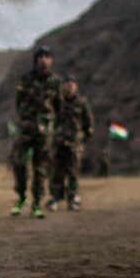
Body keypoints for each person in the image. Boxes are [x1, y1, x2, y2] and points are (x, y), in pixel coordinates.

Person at [9, 45, 61, 218]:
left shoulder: (55, 82)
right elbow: (18, 102)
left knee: (40, 168)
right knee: (19, 162)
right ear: (36, 60)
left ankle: (36, 203)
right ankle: (22, 196)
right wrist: (25, 118)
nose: (43, 59)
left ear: (50, 60)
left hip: (44, 132)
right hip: (26, 129)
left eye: (46, 56)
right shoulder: (27, 79)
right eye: (40, 57)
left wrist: (51, 124)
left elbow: (59, 107)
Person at [49, 75, 93, 212]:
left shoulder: (81, 103)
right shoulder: (57, 101)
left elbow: (88, 124)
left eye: (72, 83)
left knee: (73, 172)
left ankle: (73, 199)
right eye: (66, 83)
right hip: (58, 142)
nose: (69, 85)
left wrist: (81, 140)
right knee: (56, 172)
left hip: (74, 144)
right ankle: (54, 198)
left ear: (76, 86)